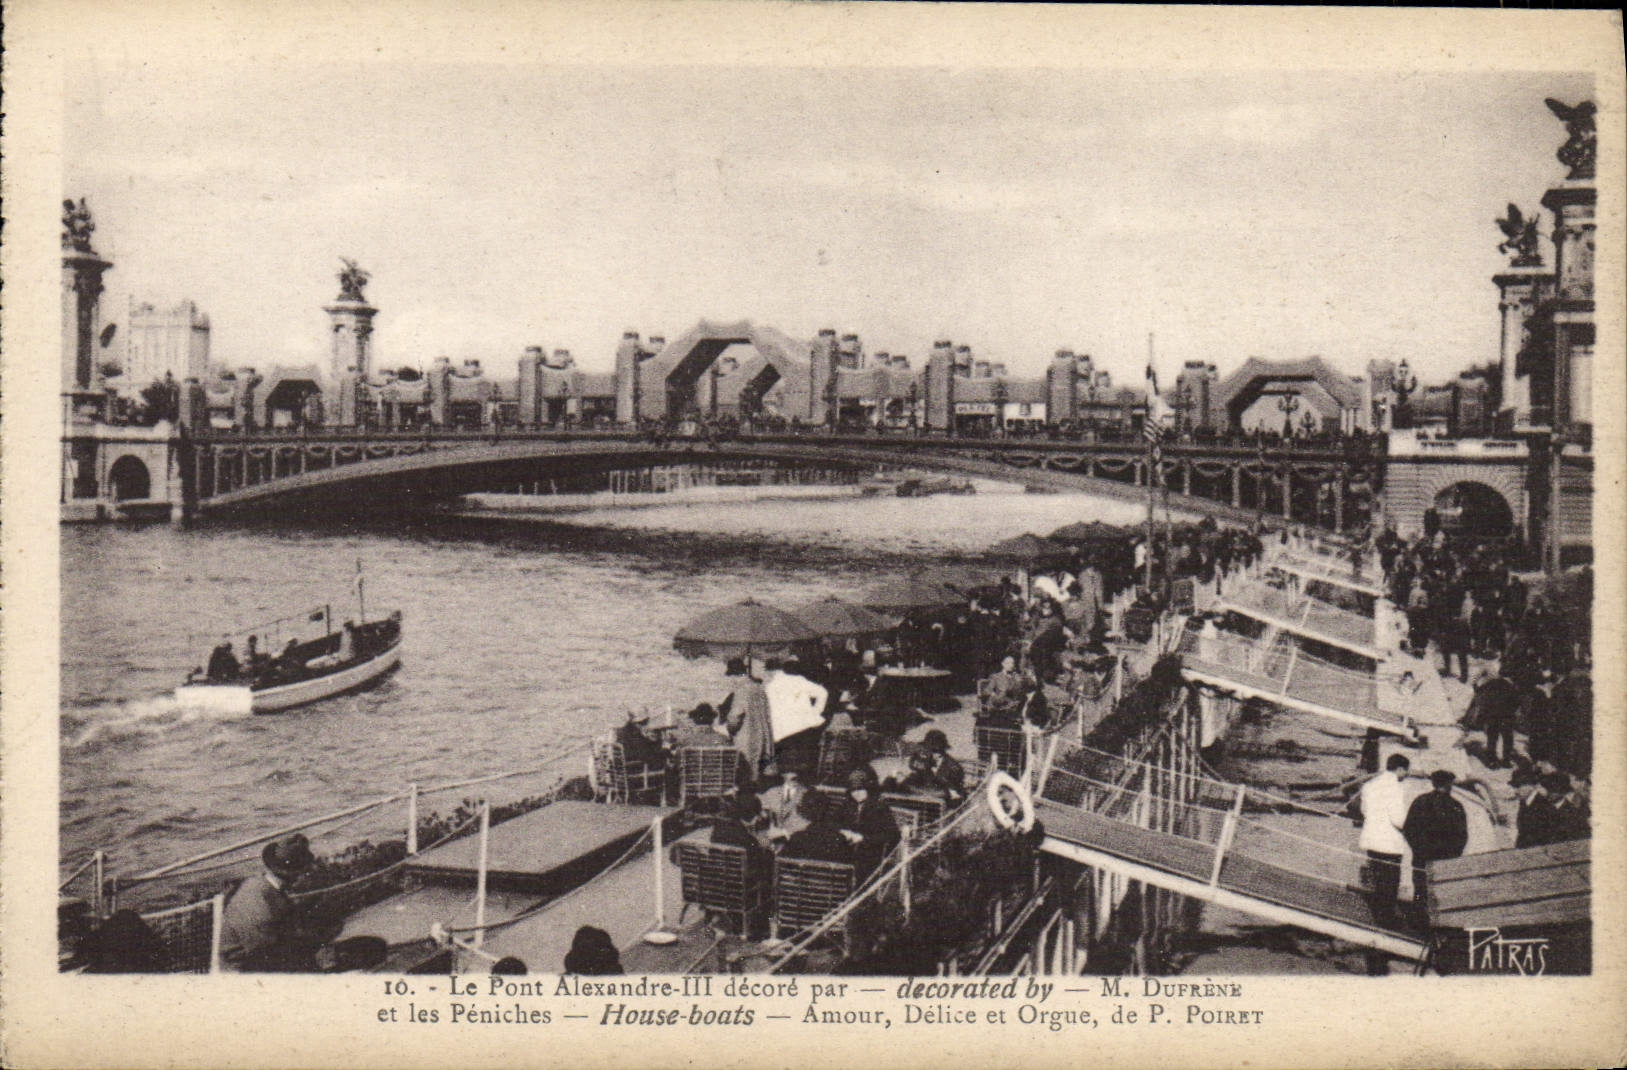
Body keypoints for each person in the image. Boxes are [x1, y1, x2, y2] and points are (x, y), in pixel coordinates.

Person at [219, 833, 331, 972]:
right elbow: (266, 953)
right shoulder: (259, 902)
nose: (309, 876)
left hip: (262, 957)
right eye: (306, 872)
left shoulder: (262, 884)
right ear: (295, 875)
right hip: (244, 971)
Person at [1402, 770, 1468, 928]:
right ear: (1450, 785)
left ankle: (1419, 926)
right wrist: (1452, 856)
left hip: (1422, 857)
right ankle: (1441, 926)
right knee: (1442, 893)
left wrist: (1418, 849)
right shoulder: (1456, 806)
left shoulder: (1420, 801)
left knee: (1421, 892)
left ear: (1433, 783)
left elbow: (1409, 829)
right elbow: (1462, 836)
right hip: (1445, 860)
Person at [1357, 753, 1411, 927]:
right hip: (1389, 842)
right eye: (1406, 771)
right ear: (1400, 769)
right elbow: (1398, 819)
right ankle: (1387, 918)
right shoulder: (1395, 787)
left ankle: (1379, 914)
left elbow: (1364, 811)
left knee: (1379, 879)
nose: (1406, 775)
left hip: (1371, 839)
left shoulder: (1370, 785)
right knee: (1391, 881)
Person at [840, 767, 901, 877]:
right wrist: (843, 832)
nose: (857, 794)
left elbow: (893, 836)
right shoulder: (848, 805)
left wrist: (864, 839)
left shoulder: (879, 807)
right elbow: (835, 823)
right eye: (853, 790)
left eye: (860, 789)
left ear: (867, 789)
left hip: (871, 855)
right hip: (850, 851)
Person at [723, 657, 775, 781]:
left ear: (734, 675)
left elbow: (736, 716)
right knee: (758, 772)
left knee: (746, 772)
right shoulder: (759, 688)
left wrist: (729, 728)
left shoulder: (741, 690)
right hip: (762, 736)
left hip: (747, 736)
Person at [780, 790, 854, 865]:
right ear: (827, 811)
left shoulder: (796, 839)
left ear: (804, 813)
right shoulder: (840, 840)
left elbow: (782, 863)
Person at [1469, 672, 1521, 769]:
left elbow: (1478, 690)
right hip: (1507, 717)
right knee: (1508, 739)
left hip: (1492, 715)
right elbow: (1517, 702)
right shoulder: (1512, 687)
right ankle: (1506, 760)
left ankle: (1492, 760)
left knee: (1492, 738)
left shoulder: (1490, 683)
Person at [920, 729, 966, 803]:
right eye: (929, 750)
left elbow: (954, 790)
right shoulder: (929, 762)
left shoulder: (953, 767)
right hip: (931, 797)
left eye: (935, 751)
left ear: (941, 751)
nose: (931, 754)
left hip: (950, 800)